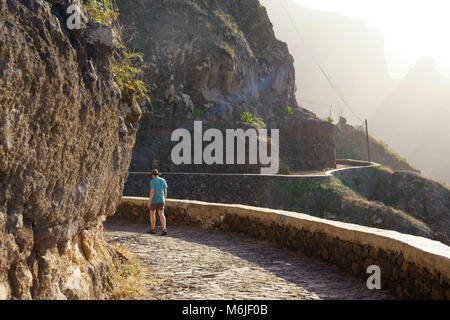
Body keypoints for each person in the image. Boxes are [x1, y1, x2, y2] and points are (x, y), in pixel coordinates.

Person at [147, 169, 168, 235]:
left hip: (154, 200)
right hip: (161, 200)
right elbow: (165, 191)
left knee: (152, 214)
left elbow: (152, 192)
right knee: (161, 214)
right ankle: (164, 229)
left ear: (152, 175)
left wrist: (149, 201)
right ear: (158, 174)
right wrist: (164, 199)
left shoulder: (152, 181)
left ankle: (153, 229)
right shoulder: (163, 180)